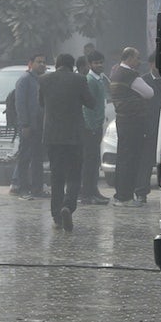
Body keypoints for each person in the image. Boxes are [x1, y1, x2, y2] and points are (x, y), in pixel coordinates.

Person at [40, 52, 96, 231]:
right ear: (72, 65)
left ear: (57, 64)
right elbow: (91, 103)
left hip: (52, 136)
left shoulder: (44, 80)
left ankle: (56, 216)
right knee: (74, 175)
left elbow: (41, 103)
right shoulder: (79, 80)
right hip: (74, 136)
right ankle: (68, 206)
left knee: (56, 176)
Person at [107, 47, 156, 208]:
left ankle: (121, 195)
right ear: (128, 58)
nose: (139, 61)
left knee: (123, 157)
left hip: (122, 119)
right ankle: (125, 196)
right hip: (133, 121)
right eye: (137, 58)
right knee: (131, 158)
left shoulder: (115, 72)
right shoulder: (130, 75)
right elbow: (149, 93)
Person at [10, 53, 48, 199]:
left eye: (44, 62)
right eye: (39, 62)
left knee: (38, 158)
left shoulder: (42, 80)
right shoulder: (24, 80)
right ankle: (22, 188)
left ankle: (37, 189)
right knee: (24, 157)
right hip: (28, 126)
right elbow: (20, 104)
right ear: (30, 64)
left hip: (40, 126)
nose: (42, 65)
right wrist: (24, 124)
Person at [78, 51, 111, 206]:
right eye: (96, 63)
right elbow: (87, 107)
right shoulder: (90, 80)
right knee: (89, 161)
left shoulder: (100, 79)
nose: (100, 65)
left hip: (97, 126)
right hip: (90, 128)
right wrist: (90, 126)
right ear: (90, 64)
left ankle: (93, 190)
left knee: (95, 161)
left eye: (101, 62)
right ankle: (86, 194)